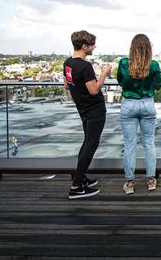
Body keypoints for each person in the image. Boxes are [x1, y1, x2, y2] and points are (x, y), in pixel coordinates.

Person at [63, 30, 110, 199]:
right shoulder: (85, 66)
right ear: (84, 46)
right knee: (91, 144)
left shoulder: (68, 63)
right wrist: (104, 74)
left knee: (86, 143)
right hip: (94, 110)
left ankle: (81, 177)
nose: (94, 47)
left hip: (82, 109)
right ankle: (76, 186)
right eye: (92, 45)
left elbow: (67, 85)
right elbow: (94, 90)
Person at [117, 34, 161, 195]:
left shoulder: (123, 63)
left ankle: (129, 183)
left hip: (129, 104)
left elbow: (121, 82)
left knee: (129, 144)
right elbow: (158, 86)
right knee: (149, 142)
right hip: (147, 103)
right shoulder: (154, 65)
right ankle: (150, 180)